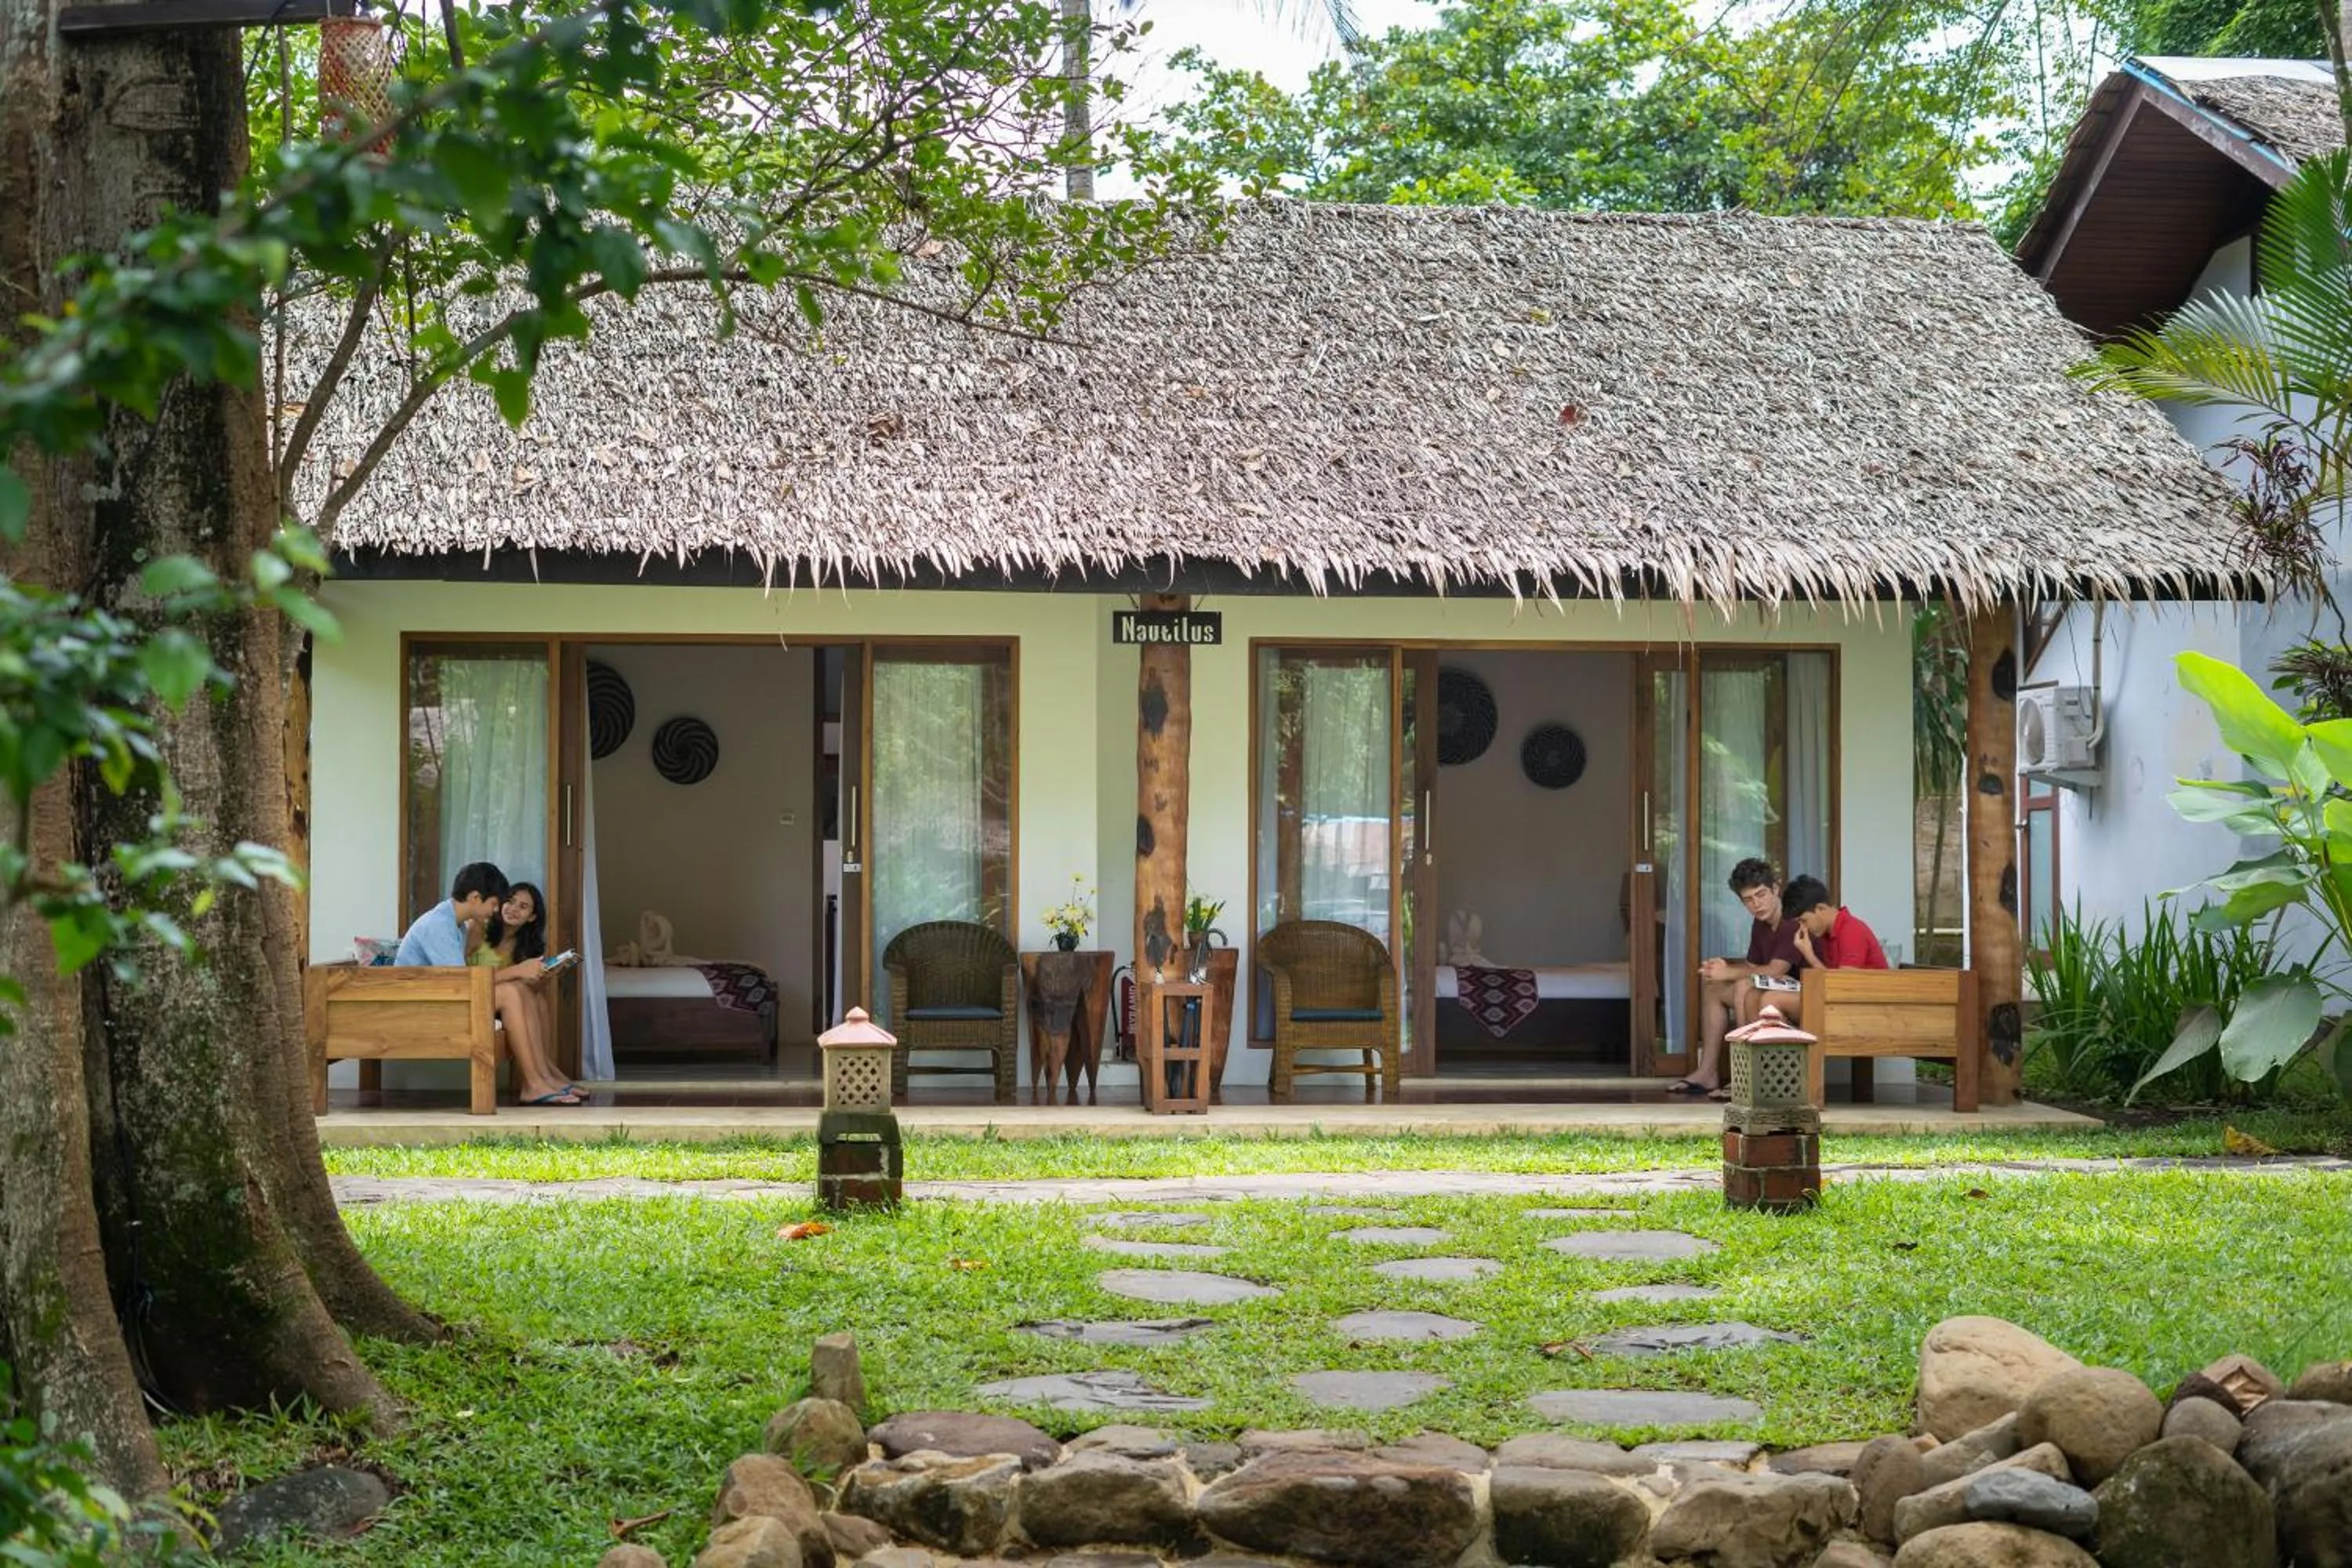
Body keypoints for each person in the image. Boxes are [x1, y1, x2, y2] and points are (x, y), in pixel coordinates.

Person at [396, 863, 580, 1107]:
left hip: (432, 999)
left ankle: (539, 1079)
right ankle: (534, 1084)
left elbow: (460, 979)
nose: (496, 911)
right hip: (416, 1009)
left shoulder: (455, 924)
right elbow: (463, 982)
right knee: (510, 993)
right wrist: (518, 970)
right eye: (494, 904)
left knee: (520, 991)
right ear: (475, 897)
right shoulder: (439, 925)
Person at [1669, 856, 1806, 1101]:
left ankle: (1743, 1076)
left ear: (1776, 888)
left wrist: (1730, 972)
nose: (1757, 904)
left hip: (1803, 993)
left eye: (1761, 894)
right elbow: (1754, 966)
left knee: (1743, 984)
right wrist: (1722, 969)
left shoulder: (1791, 919)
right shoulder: (1761, 923)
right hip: (1772, 991)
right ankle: (1707, 1072)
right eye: (1748, 900)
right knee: (1714, 988)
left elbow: (1776, 969)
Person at [1785, 875, 1891, 972]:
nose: (1803, 927)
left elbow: (1843, 986)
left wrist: (1810, 956)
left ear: (1821, 908)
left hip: (1871, 992)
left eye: (1804, 921)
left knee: (1774, 994)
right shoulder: (1827, 934)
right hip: (1851, 992)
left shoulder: (1851, 930)